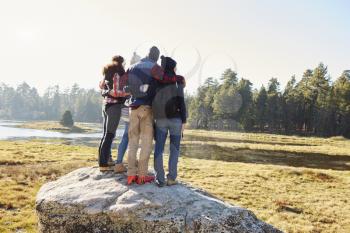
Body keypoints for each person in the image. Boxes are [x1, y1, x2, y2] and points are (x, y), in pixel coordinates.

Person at [126, 46, 164, 185]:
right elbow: (161, 89)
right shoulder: (157, 68)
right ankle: (142, 175)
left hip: (133, 108)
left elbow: (125, 86)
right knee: (146, 143)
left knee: (133, 142)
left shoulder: (132, 67)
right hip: (147, 108)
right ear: (156, 57)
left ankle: (130, 175)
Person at [153, 56, 186, 187]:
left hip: (160, 119)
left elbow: (152, 99)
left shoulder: (157, 80)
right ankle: (171, 178)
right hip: (176, 119)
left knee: (159, 149)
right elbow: (181, 101)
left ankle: (160, 179)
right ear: (172, 67)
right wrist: (184, 121)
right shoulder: (178, 81)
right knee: (174, 150)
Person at [98, 55, 129, 172]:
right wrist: (127, 93)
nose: (125, 65)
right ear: (121, 63)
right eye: (124, 63)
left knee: (105, 135)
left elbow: (101, 88)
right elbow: (115, 92)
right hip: (114, 107)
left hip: (105, 105)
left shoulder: (106, 72)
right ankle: (103, 164)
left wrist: (107, 92)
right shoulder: (117, 73)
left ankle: (104, 161)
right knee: (110, 135)